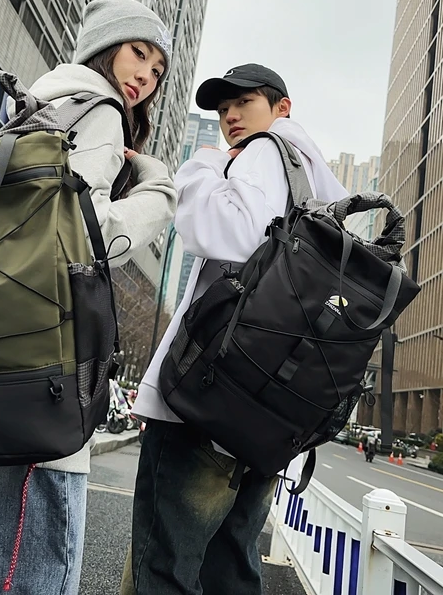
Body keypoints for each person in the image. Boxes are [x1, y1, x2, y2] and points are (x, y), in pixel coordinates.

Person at [0, 0, 177, 595]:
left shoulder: (26, 111)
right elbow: (89, 237)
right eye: (138, 54)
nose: (145, 78)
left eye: (156, 72)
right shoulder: (98, 112)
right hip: (35, 380)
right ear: (104, 49)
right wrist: (159, 191)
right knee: (25, 568)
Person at [123, 64, 349, 595]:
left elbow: (229, 230)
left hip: (208, 398)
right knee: (231, 565)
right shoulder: (317, 189)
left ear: (281, 108)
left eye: (243, 101)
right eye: (222, 108)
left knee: (164, 564)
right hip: (262, 409)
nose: (229, 115)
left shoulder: (265, 152)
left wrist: (201, 166)